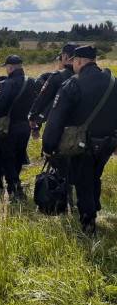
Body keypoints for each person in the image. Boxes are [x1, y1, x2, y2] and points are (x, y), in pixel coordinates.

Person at [43, 46, 117, 235]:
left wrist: (48, 146)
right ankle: (94, 207)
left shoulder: (73, 84)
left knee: (83, 180)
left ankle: (88, 221)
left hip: (81, 144)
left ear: (78, 61)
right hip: (108, 142)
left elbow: (55, 119)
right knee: (94, 176)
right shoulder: (113, 82)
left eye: (74, 62)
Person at [0, 55, 36, 201]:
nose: (6, 70)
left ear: (11, 67)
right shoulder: (32, 82)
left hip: (9, 127)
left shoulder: (7, 84)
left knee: (8, 157)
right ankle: (14, 184)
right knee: (19, 156)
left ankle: (15, 188)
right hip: (25, 126)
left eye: (6, 67)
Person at [29, 43, 78, 135]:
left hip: (60, 127)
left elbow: (43, 98)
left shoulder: (58, 76)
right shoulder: (87, 76)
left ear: (65, 56)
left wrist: (33, 117)